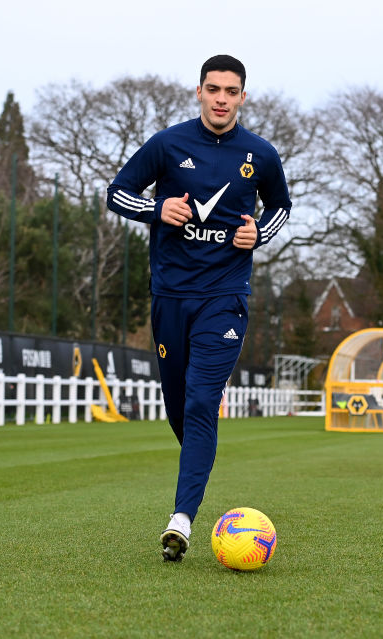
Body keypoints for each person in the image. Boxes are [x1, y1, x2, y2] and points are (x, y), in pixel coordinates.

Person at [106, 54, 292, 561]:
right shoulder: (168, 144)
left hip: (225, 299)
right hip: (170, 297)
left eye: (231, 92)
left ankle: (181, 519)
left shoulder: (260, 153)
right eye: (214, 89)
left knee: (200, 401)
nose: (221, 99)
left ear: (243, 98)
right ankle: (199, 459)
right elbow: (117, 192)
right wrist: (156, 208)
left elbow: (279, 207)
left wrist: (258, 234)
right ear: (199, 92)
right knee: (180, 411)